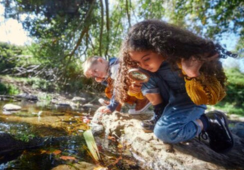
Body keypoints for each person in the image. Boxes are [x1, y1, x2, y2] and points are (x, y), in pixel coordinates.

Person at [114, 20, 235, 153]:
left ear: (159, 48)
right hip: (169, 102)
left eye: (146, 58)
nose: (143, 64)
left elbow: (211, 98)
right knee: (141, 73)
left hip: (190, 102)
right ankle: (160, 114)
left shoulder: (188, 58)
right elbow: (142, 92)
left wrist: (192, 74)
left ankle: (208, 121)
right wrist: (134, 89)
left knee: (165, 133)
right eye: (138, 61)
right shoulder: (146, 69)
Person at [82, 56, 150, 114]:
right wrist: (103, 80)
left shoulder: (115, 66)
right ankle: (114, 105)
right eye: (93, 75)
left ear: (100, 60)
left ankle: (144, 100)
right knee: (110, 89)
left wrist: (112, 106)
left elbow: (118, 88)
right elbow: (113, 85)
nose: (96, 75)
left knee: (118, 89)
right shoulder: (110, 68)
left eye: (95, 71)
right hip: (138, 85)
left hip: (145, 84)